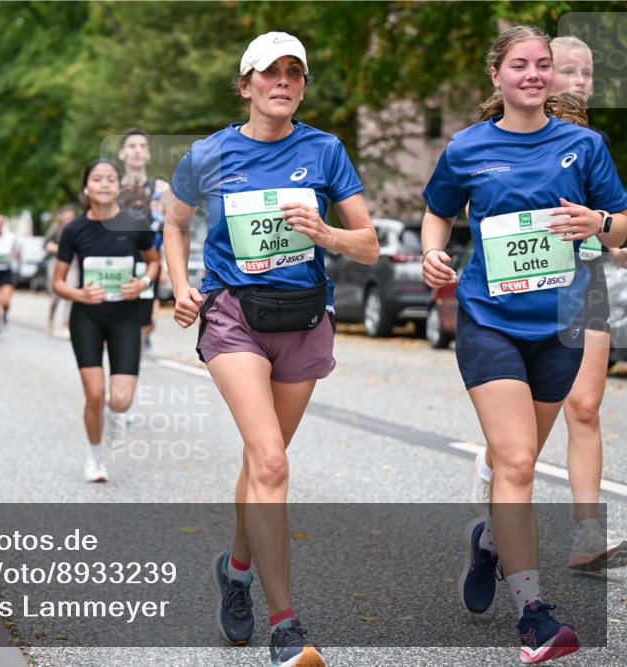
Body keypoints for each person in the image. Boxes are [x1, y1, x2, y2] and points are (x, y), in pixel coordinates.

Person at [164, 32, 378, 666]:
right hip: (234, 315)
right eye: (269, 72)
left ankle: (235, 570)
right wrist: (180, 285)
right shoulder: (208, 154)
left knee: (265, 464)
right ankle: (286, 625)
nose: (282, 81)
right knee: (271, 461)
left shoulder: (325, 150)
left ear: (303, 86)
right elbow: (174, 222)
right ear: (245, 84)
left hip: (303, 316)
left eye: (294, 72)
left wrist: (326, 234)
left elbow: (368, 244)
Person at [421, 25, 627, 664]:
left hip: (563, 323)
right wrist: (432, 251)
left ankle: (489, 542)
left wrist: (598, 222)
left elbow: (621, 227)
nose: (533, 74)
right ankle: (533, 618)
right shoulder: (467, 147)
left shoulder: (584, 145)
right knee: (514, 463)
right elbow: (438, 210)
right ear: (497, 75)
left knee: (522, 460)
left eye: (542, 64)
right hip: (489, 321)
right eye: (519, 64)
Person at [52, 159, 159, 484]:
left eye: (111, 178)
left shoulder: (135, 223)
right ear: (87, 187)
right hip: (87, 316)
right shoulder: (74, 230)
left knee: (121, 401)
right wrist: (79, 295)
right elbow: (57, 282)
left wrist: (143, 283)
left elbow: (154, 262)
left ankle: (116, 414)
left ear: (119, 186)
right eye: (97, 179)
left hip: (126, 316)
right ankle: (95, 458)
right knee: (95, 394)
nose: (105, 184)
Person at [118, 128, 170, 355]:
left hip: (151, 259)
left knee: (149, 319)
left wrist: (166, 263)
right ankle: (126, 349)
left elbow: (169, 228)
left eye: (142, 146)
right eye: (132, 146)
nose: (138, 151)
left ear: (148, 153)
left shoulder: (161, 189)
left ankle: (139, 341)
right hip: (120, 257)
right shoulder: (113, 187)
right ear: (122, 153)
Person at [44, 205, 77, 337]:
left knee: (70, 292)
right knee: (56, 294)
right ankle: (51, 318)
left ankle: (66, 324)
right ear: (61, 216)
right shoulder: (56, 228)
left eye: (71, 217)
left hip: (73, 263)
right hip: (57, 261)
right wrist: (57, 248)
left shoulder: (77, 227)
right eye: (67, 216)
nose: (69, 219)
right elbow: (45, 244)